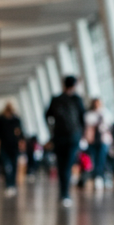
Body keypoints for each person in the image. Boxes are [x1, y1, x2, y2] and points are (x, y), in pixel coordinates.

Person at [45, 75, 86, 207]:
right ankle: (65, 194)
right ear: (74, 85)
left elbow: (47, 115)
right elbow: (82, 118)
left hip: (59, 136)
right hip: (73, 137)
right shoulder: (77, 99)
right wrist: (81, 134)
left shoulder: (56, 99)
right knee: (68, 165)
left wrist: (51, 130)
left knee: (61, 165)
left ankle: (63, 193)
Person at [0, 102, 25, 198]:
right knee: (6, 165)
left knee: (14, 166)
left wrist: (21, 144)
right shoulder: (1, 119)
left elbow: (20, 133)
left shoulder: (16, 120)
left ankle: (12, 185)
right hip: (4, 146)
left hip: (14, 147)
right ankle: (8, 185)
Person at [83, 97, 112, 189]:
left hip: (103, 140)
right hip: (92, 140)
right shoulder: (89, 114)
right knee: (94, 159)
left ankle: (100, 177)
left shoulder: (105, 113)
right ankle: (96, 177)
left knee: (102, 159)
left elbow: (108, 126)